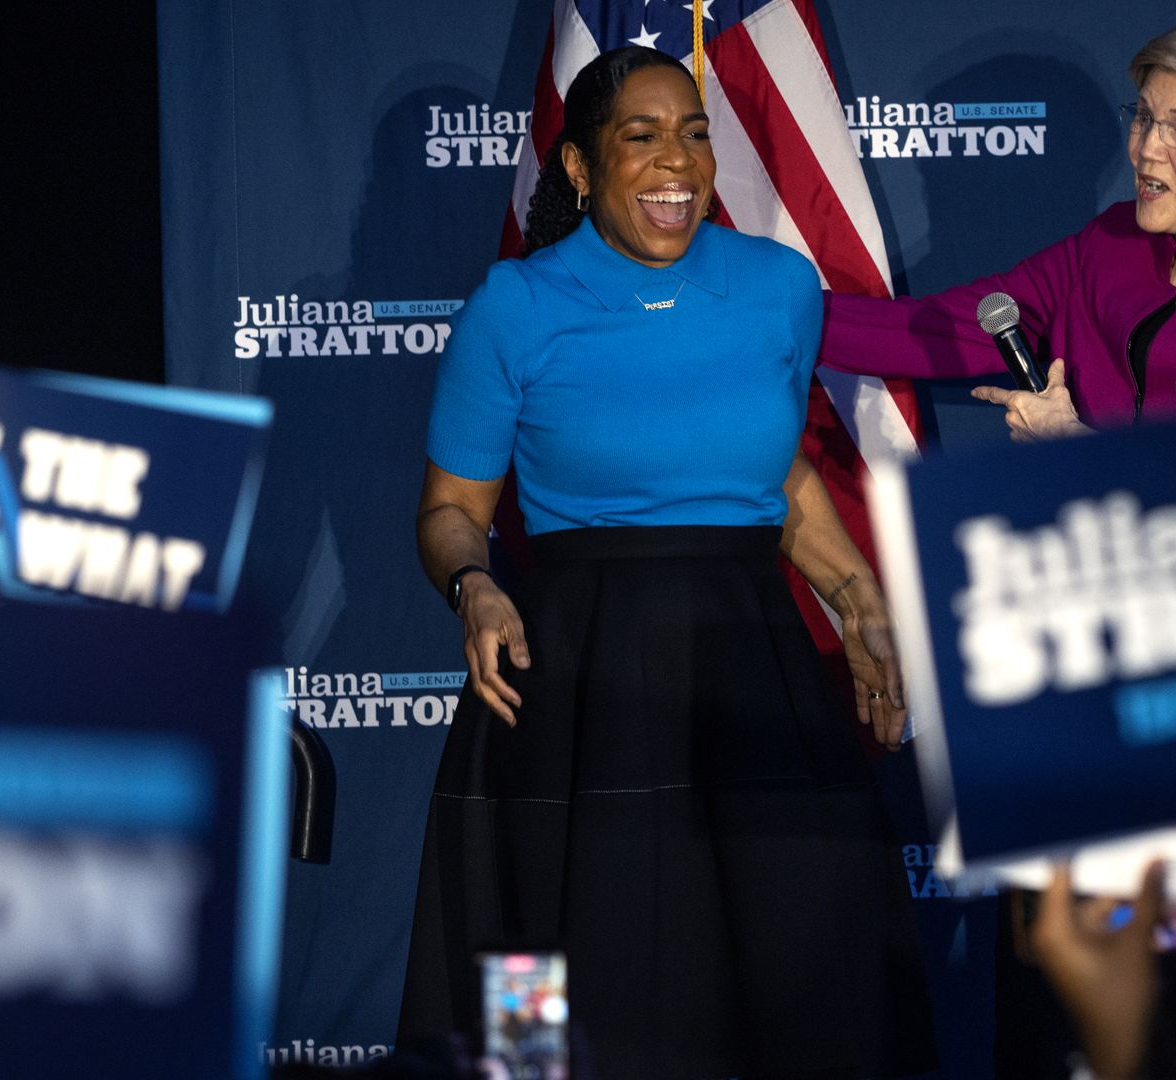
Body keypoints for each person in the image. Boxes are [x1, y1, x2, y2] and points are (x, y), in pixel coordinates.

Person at [398, 45, 935, 1079]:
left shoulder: (780, 289)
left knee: (798, 960)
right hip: (574, 677)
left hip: (752, 663)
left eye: (693, 132)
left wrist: (859, 602)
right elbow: (450, 512)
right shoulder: (515, 306)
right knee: (551, 963)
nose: (677, 160)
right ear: (580, 170)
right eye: (639, 137)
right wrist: (474, 588)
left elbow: (773, 477)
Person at [821, 12, 1176, 440]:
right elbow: (944, 328)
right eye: (1145, 117)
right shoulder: (1111, 242)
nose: (1146, 149)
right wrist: (774, 313)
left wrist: (1071, 447)